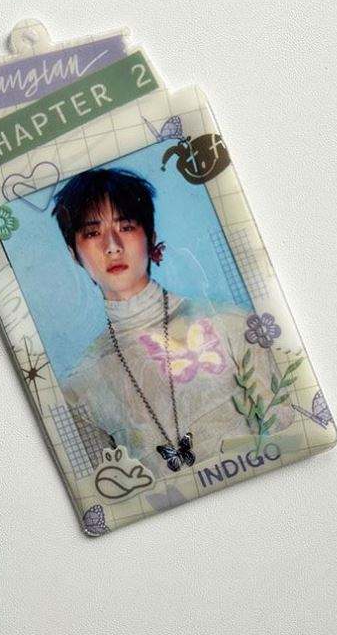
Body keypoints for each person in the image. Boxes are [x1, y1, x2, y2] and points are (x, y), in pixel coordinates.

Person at [51, 167, 292, 476]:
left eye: (126, 226)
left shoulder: (231, 324)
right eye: (92, 233)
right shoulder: (80, 387)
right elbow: (111, 494)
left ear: (150, 238)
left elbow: (294, 439)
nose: (112, 245)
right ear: (74, 253)